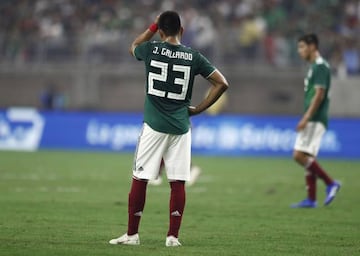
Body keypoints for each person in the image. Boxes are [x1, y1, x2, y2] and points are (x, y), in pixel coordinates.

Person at [109, 11, 228, 246]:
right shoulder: (194, 56)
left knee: (140, 178)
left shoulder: (151, 49)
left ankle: (132, 235)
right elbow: (221, 83)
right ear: (182, 31)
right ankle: (173, 237)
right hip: (181, 127)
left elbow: (133, 45)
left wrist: (152, 27)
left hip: (153, 126)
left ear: (161, 32)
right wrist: (199, 109)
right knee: (177, 182)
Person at [291, 33, 341, 208]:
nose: (300, 51)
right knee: (308, 156)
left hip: (315, 118)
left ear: (313, 47)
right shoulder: (314, 67)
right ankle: (311, 199)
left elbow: (319, 95)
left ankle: (330, 182)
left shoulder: (320, 66)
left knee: (298, 155)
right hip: (315, 117)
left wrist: (306, 117)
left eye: (302, 47)